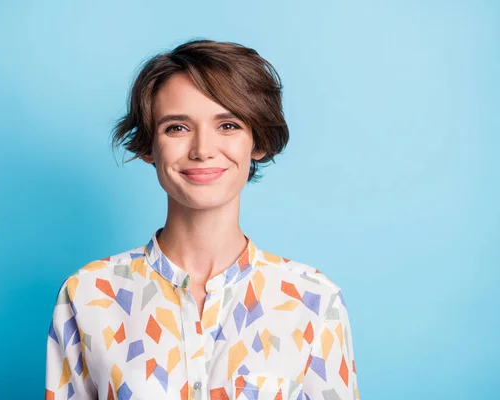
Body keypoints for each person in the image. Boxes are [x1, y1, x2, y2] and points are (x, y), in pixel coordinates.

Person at [45, 38, 359, 400]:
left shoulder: (314, 301)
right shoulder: (88, 294)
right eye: (177, 127)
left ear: (257, 142)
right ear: (149, 145)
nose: (203, 150)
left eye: (228, 125)